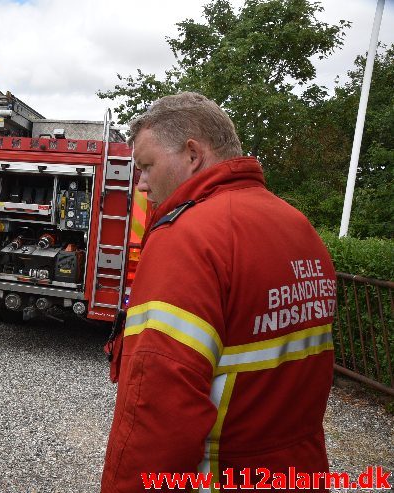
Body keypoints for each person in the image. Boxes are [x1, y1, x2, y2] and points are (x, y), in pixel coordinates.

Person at [102, 93, 336, 492]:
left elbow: (157, 412)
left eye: (146, 166)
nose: (140, 183)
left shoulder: (187, 238)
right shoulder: (299, 227)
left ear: (192, 154)